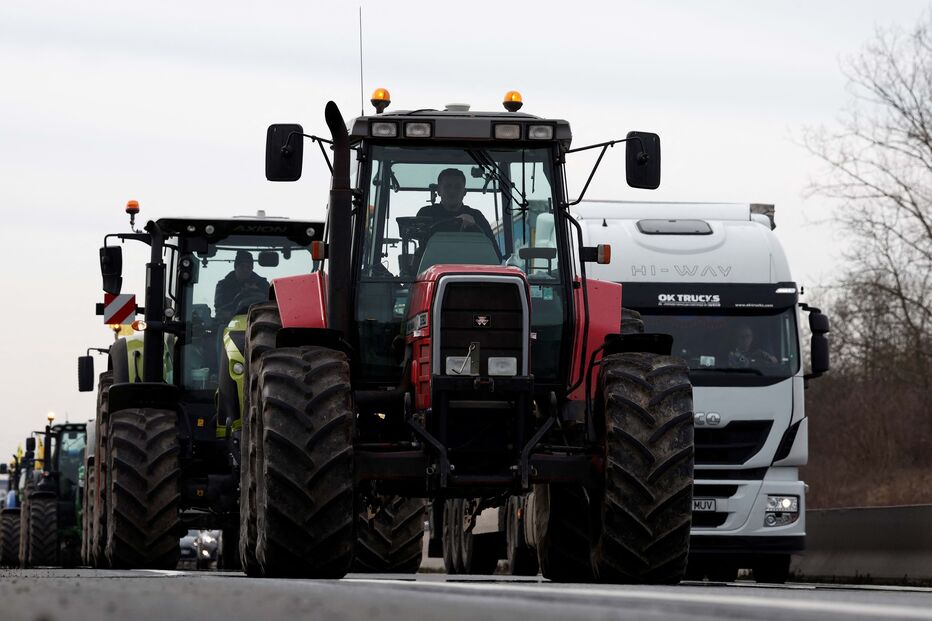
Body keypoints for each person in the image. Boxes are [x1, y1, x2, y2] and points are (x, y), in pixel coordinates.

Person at [416, 168, 496, 241]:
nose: (452, 191)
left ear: (464, 192)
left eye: (457, 187)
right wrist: (458, 220)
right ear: (439, 191)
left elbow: (492, 248)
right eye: (447, 186)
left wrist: (474, 226)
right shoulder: (426, 213)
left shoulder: (476, 216)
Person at [214, 250, 269, 322]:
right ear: (235, 267)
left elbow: (270, 306)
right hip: (229, 323)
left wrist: (257, 292)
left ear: (252, 268)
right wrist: (239, 297)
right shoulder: (223, 286)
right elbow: (220, 310)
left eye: (248, 267)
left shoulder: (263, 285)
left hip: (258, 322)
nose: (245, 270)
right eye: (242, 266)